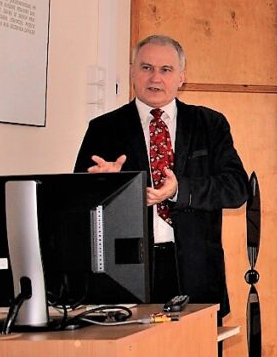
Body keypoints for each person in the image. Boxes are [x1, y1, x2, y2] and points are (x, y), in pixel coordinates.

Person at [74, 35, 248, 316]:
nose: (155, 78)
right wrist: (107, 186)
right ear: (132, 72)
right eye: (146, 68)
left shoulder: (209, 124)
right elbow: (77, 207)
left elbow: (236, 188)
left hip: (197, 274)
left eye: (166, 69)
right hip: (129, 275)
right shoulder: (104, 129)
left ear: (182, 77)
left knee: (195, 346)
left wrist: (180, 190)